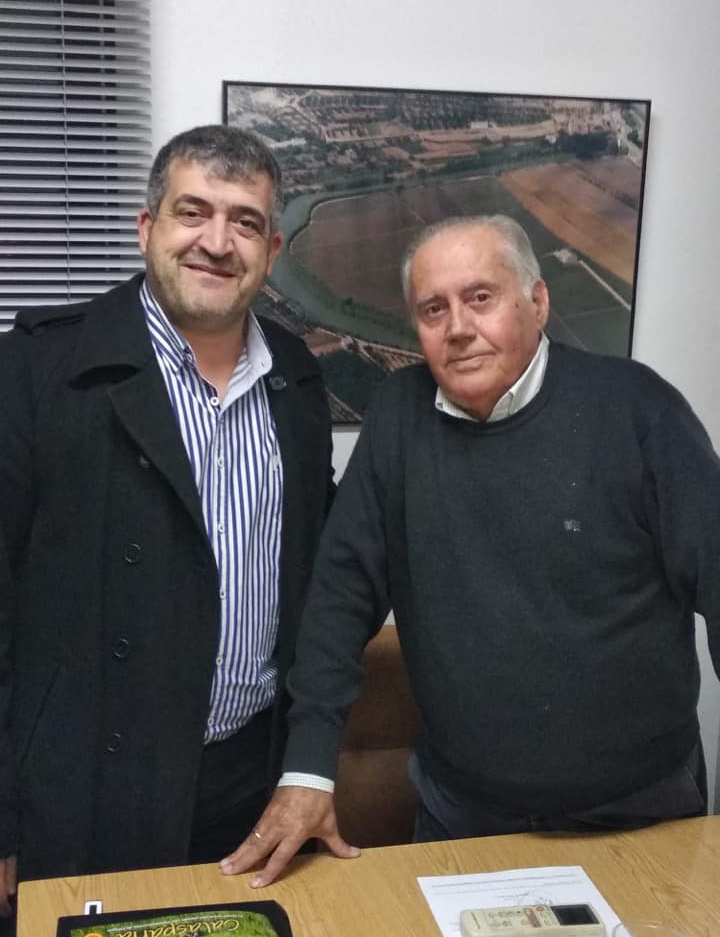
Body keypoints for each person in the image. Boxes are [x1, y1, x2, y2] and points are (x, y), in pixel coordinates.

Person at [219, 213, 720, 887]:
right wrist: (308, 768)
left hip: (643, 810)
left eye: (481, 297)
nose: (457, 327)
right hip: (464, 815)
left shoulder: (639, 410)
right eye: (434, 309)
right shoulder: (398, 416)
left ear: (537, 302)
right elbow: (341, 596)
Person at [0, 125, 334, 915]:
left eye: (244, 222)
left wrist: (306, 764)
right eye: (193, 212)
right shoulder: (36, 370)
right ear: (147, 228)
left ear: (271, 250)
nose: (216, 242)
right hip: (82, 793)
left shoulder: (295, 378)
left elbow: (317, 580)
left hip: (249, 784)